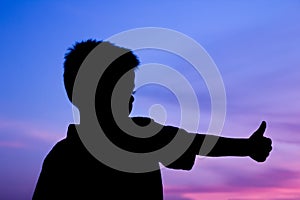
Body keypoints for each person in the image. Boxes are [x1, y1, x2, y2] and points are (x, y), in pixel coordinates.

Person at [32, 39, 272, 200]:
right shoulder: (65, 157)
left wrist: (247, 147)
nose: (131, 100)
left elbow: (195, 142)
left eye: (131, 92)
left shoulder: (63, 155)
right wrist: (247, 147)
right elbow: (195, 143)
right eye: (121, 90)